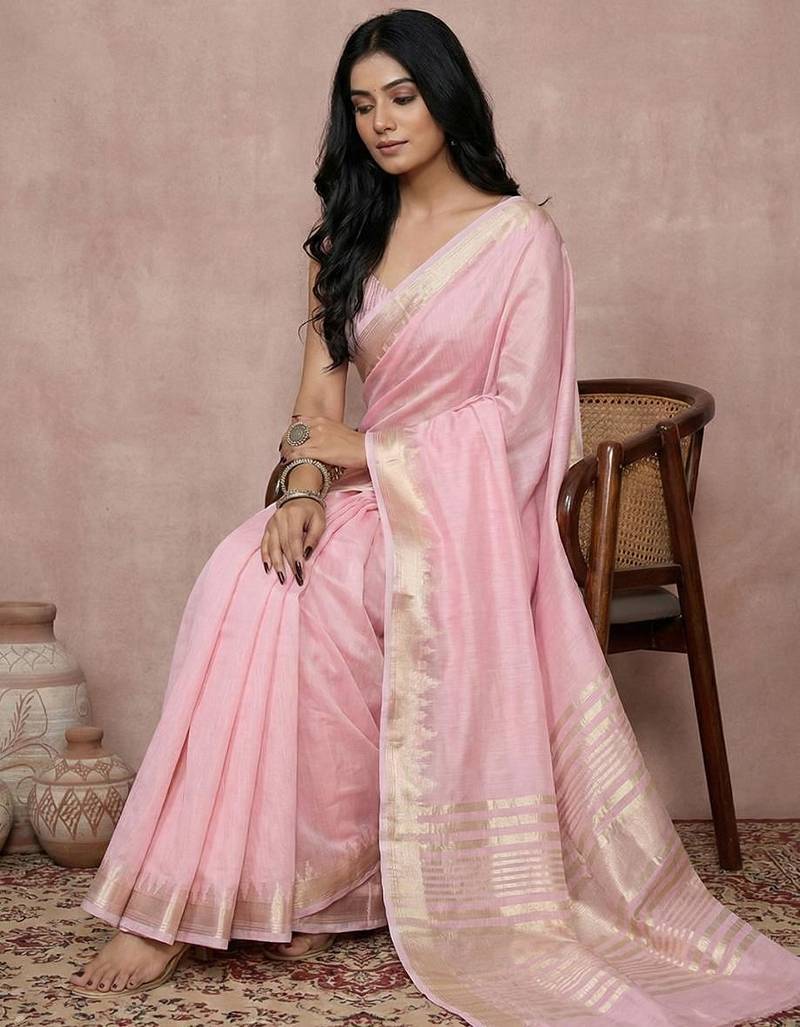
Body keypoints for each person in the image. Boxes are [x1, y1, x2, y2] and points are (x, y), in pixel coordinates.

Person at [68, 9, 800, 1024]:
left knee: (329, 595)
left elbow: (519, 421)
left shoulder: (519, 238)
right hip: (367, 497)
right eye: (361, 105)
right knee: (249, 568)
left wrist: (365, 454)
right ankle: (219, 892)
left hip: (466, 518)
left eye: (401, 97)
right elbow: (313, 408)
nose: (381, 122)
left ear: (445, 99)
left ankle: (334, 878)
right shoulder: (345, 240)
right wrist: (300, 490)